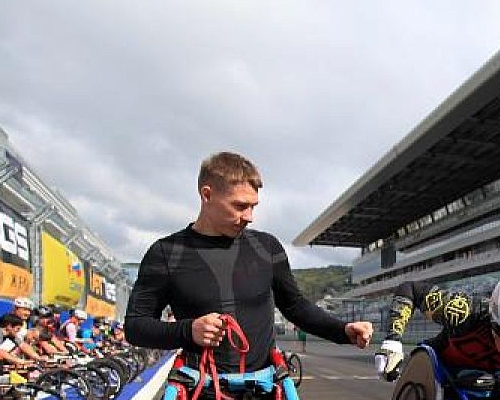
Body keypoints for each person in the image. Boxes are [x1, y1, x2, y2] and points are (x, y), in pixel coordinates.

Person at [125, 151, 373, 372]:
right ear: (207, 194)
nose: (249, 217)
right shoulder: (166, 253)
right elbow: (136, 327)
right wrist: (188, 331)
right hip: (203, 394)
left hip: (263, 389)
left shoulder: (266, 247)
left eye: (253, 206)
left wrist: (343, 330)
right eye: (240, 206)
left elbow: (295, 307)